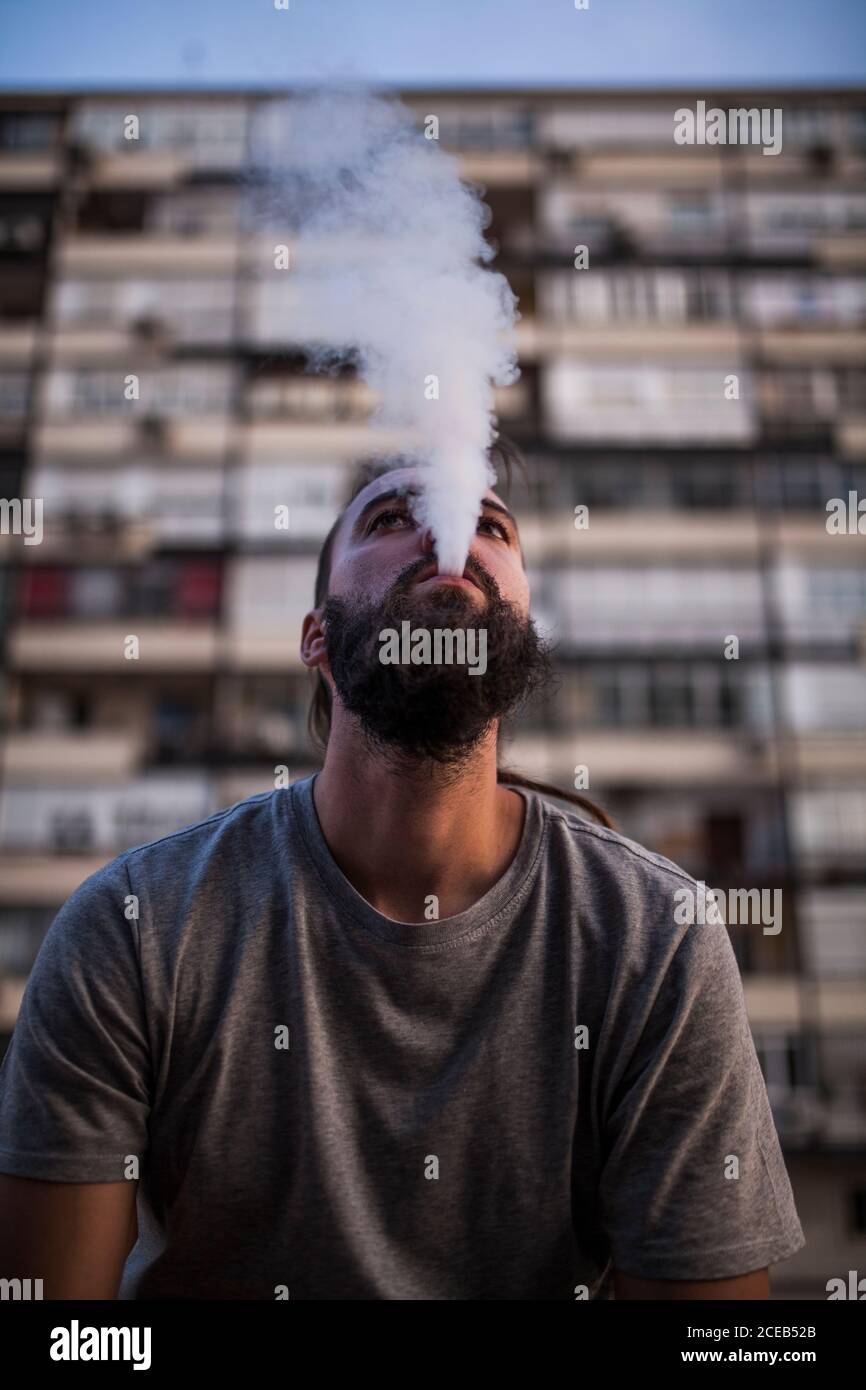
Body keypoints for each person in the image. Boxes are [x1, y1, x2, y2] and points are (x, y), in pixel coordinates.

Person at [0, 436, 805, 1300]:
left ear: (526, 628)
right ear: (316, 636)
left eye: (489, 525)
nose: (450, 538)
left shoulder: (658, 942)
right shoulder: (133, 928)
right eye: (391, 519)